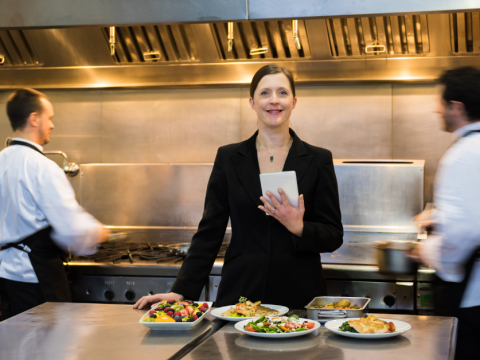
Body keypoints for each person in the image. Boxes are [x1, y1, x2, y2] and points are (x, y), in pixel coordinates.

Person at [134, 64, 343, 310]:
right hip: (240, 297)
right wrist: (181, 291)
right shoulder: (229, 158)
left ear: (294, 102)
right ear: (252, 102)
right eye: (265, 93)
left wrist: (299, 227)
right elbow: (210, 231)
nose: (274, 100)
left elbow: (333, 235)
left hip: (298, 297)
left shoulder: (318, 159)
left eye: (282, 93)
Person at [0, 89, 110, 320]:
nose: (52, 125)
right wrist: (99, 233)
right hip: (35, 279)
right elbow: (71, 230)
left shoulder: (2, 161)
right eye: (49, 118)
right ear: (34, 119)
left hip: (5, 277)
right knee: (49, 351)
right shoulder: (43, 168)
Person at [414, 67, 480, 360]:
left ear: (457, 108)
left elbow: (462, 234)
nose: (436, 109)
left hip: (472, 300)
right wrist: (439, 217)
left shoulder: (463, 154)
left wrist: (424, 250)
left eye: (441, 103)